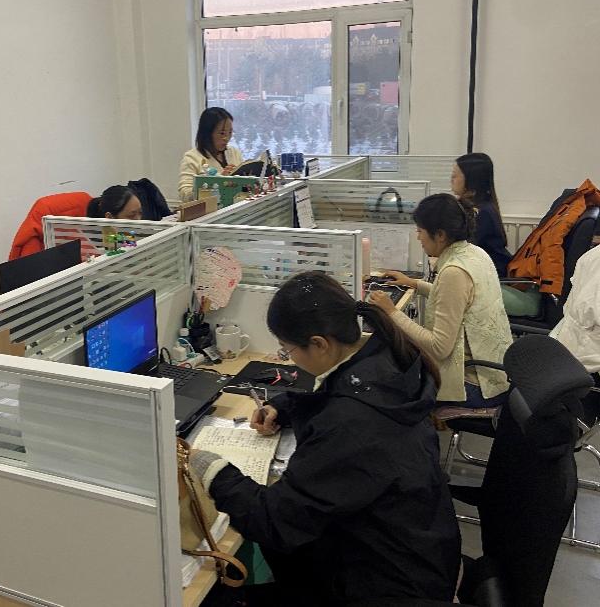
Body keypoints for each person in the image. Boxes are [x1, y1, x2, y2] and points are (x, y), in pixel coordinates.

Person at [189, 271, 460, 606]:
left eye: (287, 349)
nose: (288, 358)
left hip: (382, 583)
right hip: (417, 548)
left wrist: (212, 470)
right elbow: (334, 395)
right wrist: (283, 407)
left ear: (319, 344)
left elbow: (273, 522)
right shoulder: (383, 356)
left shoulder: (352, 423)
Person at [370, 194, 512, 407]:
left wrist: (392, 312)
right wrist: (414, 284)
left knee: (385, 383)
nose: (418, 237)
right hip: (495, 374)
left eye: (420, 231)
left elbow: (439, 347)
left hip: (473, 385)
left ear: (440, 235)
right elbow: (456, 299)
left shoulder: (454, 272)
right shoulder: (475, 253)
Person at [451, 152, 512, 277]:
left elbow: (463, 249)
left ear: (472, 179)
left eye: (455, 175)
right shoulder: (475, 207)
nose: (451, 179)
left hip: (492, 276)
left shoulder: (482, 213)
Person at [177, 107, 243, 201]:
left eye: (230, 132)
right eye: (222, 133)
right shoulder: (192, 157)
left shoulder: (234, 152)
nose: (226, 138)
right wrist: (220, 181)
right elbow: (185, 194)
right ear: (207, 133)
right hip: (209, 209)